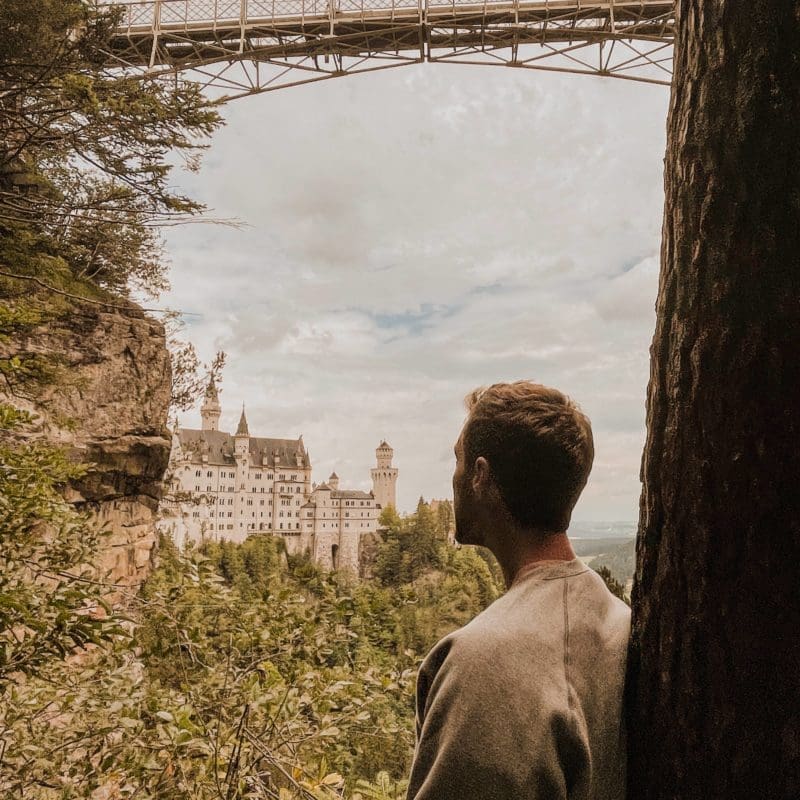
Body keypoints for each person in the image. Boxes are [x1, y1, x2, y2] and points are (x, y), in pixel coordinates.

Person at [406, 381, 630, 800]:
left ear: (480, 477)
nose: (451, 477)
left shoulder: (483, 664)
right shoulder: (620, 621)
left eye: (458, 459)